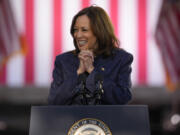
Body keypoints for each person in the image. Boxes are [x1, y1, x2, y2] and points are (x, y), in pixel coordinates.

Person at [48, 5, 133, 105]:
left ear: (100, 31)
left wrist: (92, 72)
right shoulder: (63, 61)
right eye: (75, 30)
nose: (78, 35)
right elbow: (54, 100)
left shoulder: (121, 59)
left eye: (84, 30)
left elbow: (122, 97)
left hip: (107, 119)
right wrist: (78, 73)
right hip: (71, 120)